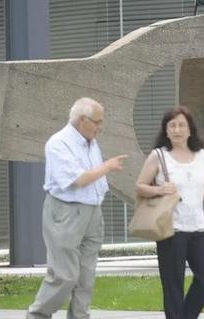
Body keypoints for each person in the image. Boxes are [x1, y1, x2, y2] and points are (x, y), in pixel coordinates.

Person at [27, 97, 128, 319]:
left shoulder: (91, 142)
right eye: (98, 122)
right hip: (66, 212)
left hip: (92, 212)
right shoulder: (59, 143)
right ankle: (37, 315)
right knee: (65, 275)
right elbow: (78, 180)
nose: (101, 127)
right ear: (83, 120)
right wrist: (107, 166)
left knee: (86, 276)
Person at [135, 106, 204, 319]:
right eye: (172, 125)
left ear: (190, 129)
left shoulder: (200, 155)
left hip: (198, 227)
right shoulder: (158, 156)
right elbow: (139, 186)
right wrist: (158, 189)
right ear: (166, 131)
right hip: (170, 229)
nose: (177, 130)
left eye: (181, 125)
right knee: (173, 284)